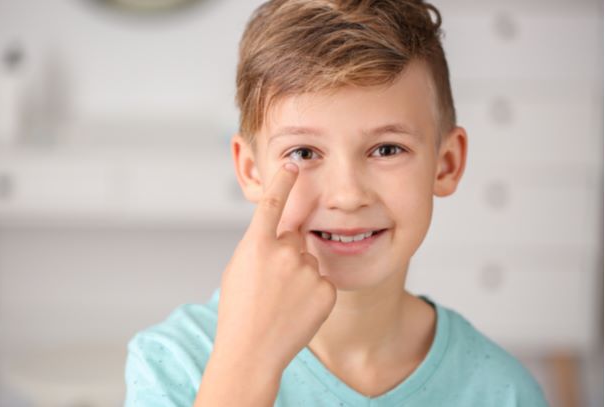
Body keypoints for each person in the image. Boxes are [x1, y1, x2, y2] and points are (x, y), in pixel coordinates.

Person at [124, 0, 550, 405]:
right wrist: (249, 364)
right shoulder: (171, 366)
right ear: (251, 170)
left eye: (386, 149)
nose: (347, 196)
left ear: (446, 163)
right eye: (304, 153)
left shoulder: (502, 391)